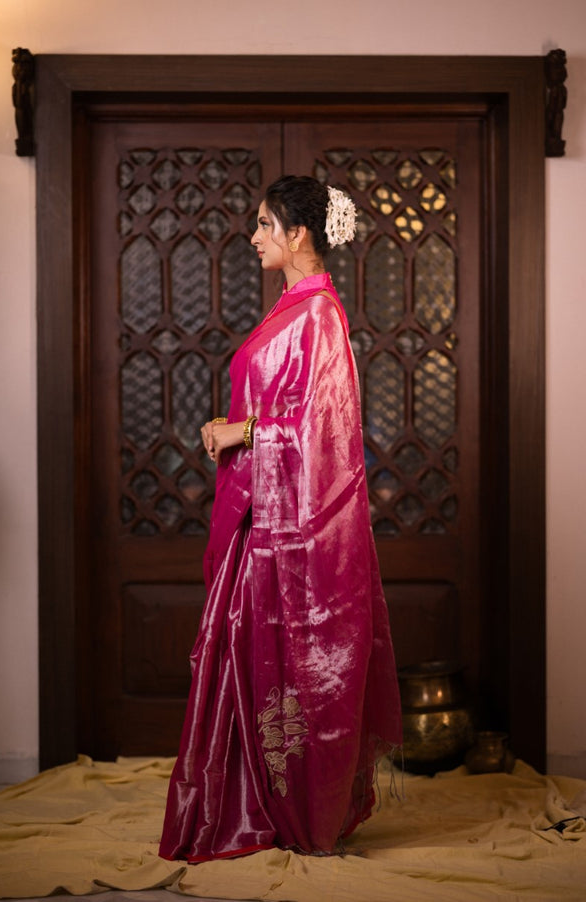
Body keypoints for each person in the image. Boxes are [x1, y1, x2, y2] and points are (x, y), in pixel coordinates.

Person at [159, 175, 402, 863]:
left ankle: (291, 811)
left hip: (288, 535)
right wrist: (235, 427)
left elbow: (320, 437)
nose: (255, 236)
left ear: (297, 233)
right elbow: (283, 411)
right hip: (259, 522)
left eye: (265, 224)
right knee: (242, 658)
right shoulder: (290, 308)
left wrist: (239, 433)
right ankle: (249, 807)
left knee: (278, 666)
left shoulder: (318, 315)